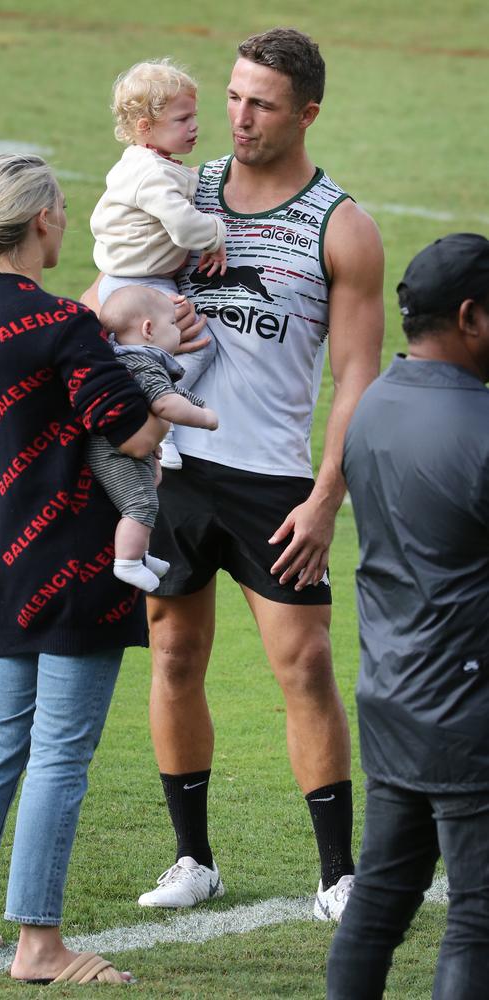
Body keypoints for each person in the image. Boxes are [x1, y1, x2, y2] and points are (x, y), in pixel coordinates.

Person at [84, 27, 385, 916]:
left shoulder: (342, 225)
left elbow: (357, 375)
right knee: (172, 657)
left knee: (305, 667)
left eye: (261, 102)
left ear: (307, 113)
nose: (239, 117)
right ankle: (194, 861)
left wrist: (329, 493)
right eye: (231, 95)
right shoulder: (179, 182)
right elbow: (109, 292)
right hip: (173, 470)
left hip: (274, 481)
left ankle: (337, 874)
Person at [0, 153, 167, 985]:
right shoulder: (64, 323)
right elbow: (133, 431)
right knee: (61, 755)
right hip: (72, 562)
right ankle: (39, 945)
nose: (67, 220)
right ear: (40, 222)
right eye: (62, 209)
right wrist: (164, 365)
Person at [327, 233, 489, 999]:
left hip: (392, 701)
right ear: (471, 319)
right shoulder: (480, 430)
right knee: (480, 917)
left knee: (381, 904)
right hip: (469, 716)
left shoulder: (374, 406)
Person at [90, 57, 226, 470]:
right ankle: (164, 419)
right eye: (182, 119)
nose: (194, 126)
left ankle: (147, 414)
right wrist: (217, 233)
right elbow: (185, 228)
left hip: (127, 282)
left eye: (194, 116)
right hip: (142, 288)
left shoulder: (146, 163)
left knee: (143, 354)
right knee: (201, 345)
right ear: (146, 127)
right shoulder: (151, 173)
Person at [87, 285, 218, 592]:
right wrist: (205, 419)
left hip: (118, 450)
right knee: (141, 504)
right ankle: (128, 563)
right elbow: (164, 403)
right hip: (115, 453)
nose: (177, 331)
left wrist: (196, 403)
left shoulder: (129, 358)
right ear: (148, 329)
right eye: (172, 324)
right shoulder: (143, 362)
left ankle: (141, 553)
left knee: (150, 488)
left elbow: (169, 393)